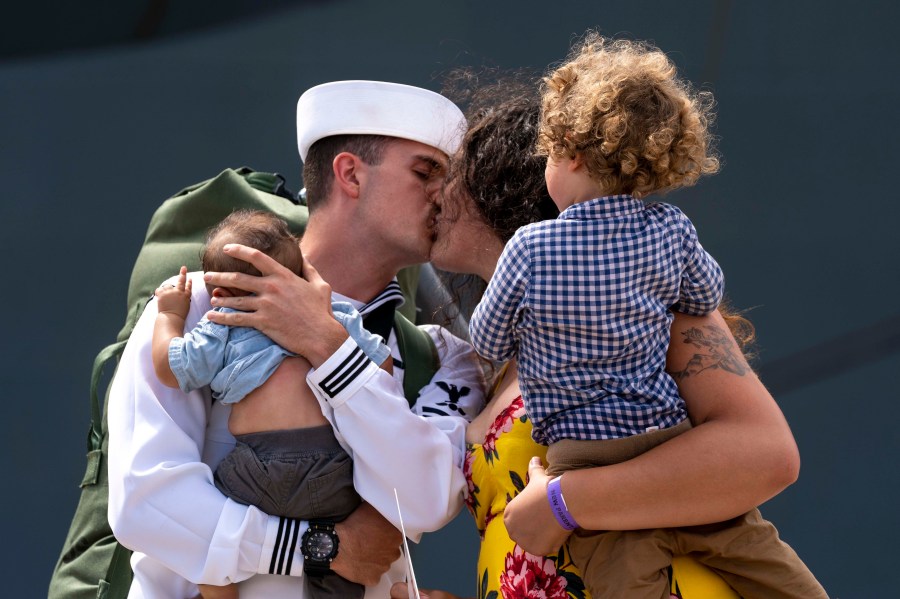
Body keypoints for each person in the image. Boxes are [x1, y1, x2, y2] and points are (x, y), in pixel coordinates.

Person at [389, 76, 822, 598]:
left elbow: (765, 454)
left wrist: (564, 502)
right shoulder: (508, 351)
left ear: (502, 182)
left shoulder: (651, 305)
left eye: (446, 172)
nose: (434, 193)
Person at [107, 80, 486, 598]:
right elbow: (145, 498)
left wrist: (330, 347)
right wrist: (320, 547)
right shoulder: (199, 304)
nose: (446, 195)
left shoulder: (442, 357)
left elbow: (424, 501)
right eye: (426, 172)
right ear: (350, 174)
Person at [151, 209, 394, 599]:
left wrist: (169, 315)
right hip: (333, 471)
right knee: (345, 562)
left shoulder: (223, 322)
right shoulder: (330, 315)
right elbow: (382, 367)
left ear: (220, 293)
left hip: (256, 470)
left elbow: (170, 368)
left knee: (208, 540)